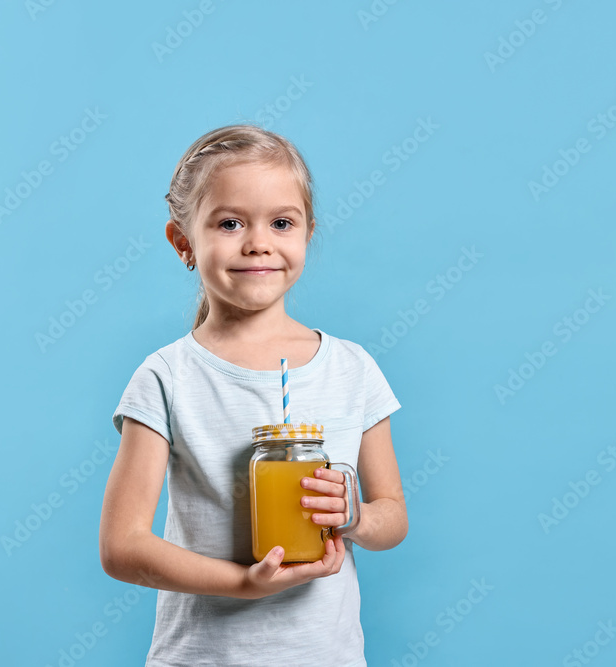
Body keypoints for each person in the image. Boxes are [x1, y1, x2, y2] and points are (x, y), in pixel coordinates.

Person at [99, 124, 408, 666]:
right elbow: (122, 547)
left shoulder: (352, 369)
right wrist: (244, 582)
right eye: (230, 222)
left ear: (307, 233)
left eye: (281, 222)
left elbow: (392, 517)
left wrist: (353, 517)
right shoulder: (167, 377)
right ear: (183, 242)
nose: (258, 241)